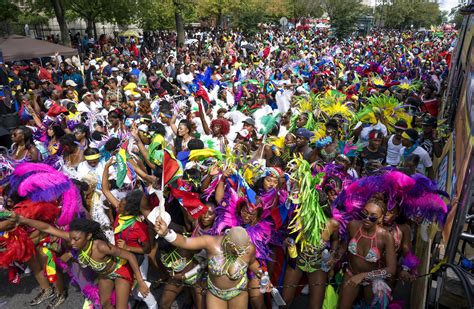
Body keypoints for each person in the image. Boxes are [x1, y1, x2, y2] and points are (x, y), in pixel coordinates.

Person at [10, 216, 149, 309]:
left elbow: (129, 256)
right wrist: (23, 219)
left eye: (77, 239)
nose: (72, 242)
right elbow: (47, 228)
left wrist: (141, 282)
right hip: (104, 275)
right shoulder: (74, 239)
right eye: (71, 238)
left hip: (119, 273)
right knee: (105, 304)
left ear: (88, 236)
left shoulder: (100, 246)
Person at [154, 223, 270, 309]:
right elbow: (185, 242)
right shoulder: (211, 243)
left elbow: (253, 263)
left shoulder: (248, 248)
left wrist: (263, 276)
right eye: (236, 251)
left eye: (242, 251)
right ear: (228, 242)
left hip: (238, 293)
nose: (239, 254)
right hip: (215, 294)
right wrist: (166, 233)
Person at [339, 194, 397, 308]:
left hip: (372, 280)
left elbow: (391, 270)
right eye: (364, 213)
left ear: (380, 218)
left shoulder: (386, 236)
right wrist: (334, 257)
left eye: (373, 216)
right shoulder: (352, 225)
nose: (367, 218)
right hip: (351, 274)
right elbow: (343, 247)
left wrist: (363, 276)